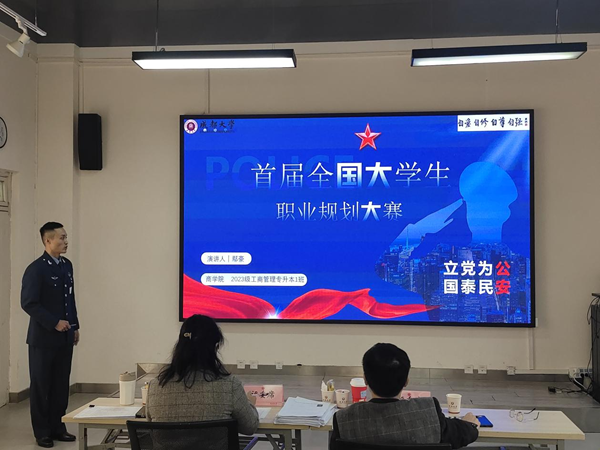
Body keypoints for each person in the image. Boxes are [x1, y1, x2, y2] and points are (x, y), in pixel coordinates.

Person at [330, 343, 479, 450]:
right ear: (406, 381)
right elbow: (461, 434)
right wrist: (470, 425)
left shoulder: (344, 419)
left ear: (365, 380)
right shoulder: (427, 412)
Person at [147, 314, 259, 448]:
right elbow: (250, 427)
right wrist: (250, 404)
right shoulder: (229, 385)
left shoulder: (156, 386)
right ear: (214, 347)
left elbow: (151, 427)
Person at [21, 222, 80, 448]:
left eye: (65, 237)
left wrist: (74, 326)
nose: (65, 242)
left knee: (60, 384)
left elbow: (70, 299)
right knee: (41, 386)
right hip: (43, 339)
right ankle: (42, 431)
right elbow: (29, 303)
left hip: (65, 336)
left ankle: (58, 427)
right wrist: (54, 322)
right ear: (48, 241)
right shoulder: (36, 269)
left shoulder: (66, 265)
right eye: (61, 238)